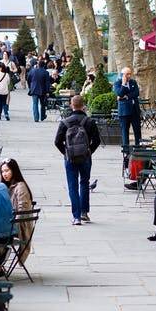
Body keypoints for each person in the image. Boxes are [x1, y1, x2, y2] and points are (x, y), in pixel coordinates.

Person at [54, 94, 101, 225]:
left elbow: (57, 141)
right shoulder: (89, 122)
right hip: (85, 157)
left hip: (70, 158)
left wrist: (66, 152)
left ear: (71, 105)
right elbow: (97, 140)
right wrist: (89, 151)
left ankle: (76, 217)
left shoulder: (65, 122)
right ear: (83, 106)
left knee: (72, 186)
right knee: (84, 183)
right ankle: (84, 212)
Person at [0, 159, 35, 264]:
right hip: (10, 223)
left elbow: (22, 211)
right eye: (2, 171)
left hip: (18, 227)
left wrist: (11, 225)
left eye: (7, 171)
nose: (4, 174)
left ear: (14, 170)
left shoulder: (20, 187)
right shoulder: (6, 186)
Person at [114, 67, 141, 166]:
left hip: (135, 110)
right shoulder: (117, 83)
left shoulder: (133, 82)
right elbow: (119, 93)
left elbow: (136, 93)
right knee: (125, 132)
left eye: (130, 74)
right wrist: (124, 84)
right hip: (124, 112)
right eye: (126, 74)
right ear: (122, 75)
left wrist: (126, 97)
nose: (129, 76)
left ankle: (139, 150)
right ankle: (126, 154)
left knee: (137, 131)